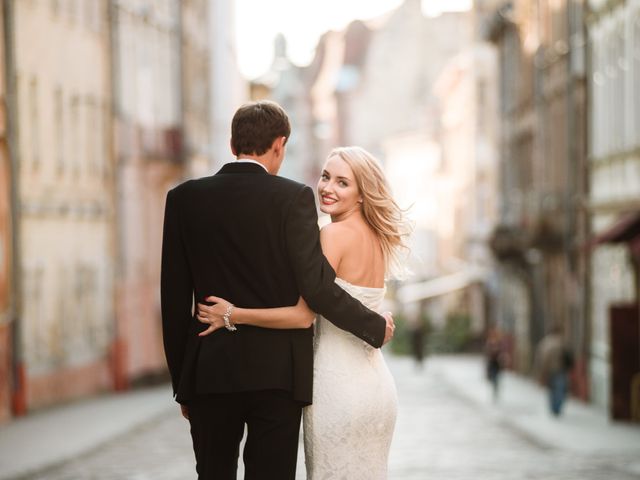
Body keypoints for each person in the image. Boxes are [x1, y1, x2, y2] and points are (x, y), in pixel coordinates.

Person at [160, 101, 395, 480]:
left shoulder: (183, 198)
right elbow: (316, 288)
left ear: (231, 141)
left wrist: (182, 384)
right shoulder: (294, 198)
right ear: (279, 145)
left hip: (209, 373)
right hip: (278, 377)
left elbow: (172, 299)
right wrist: (373, 325)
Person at [534, 324, 573, 417]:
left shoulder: (545, 343)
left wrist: (541, 373)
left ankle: (553, 408)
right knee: (560, 389)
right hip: (560, 369)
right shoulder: (562, 342)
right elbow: (569, 356)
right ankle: (557, 409)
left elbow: (541, 359)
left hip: (550, 370)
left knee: (552, 390)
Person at [484, 326, 505, 402]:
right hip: (491, 362)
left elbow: (501, 352)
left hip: (497, 362)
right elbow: (487, 353)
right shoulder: (489, 342)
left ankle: (496, 390)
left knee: (496, 378)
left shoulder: (498, 342)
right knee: (492, 377)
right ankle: (494, 388)